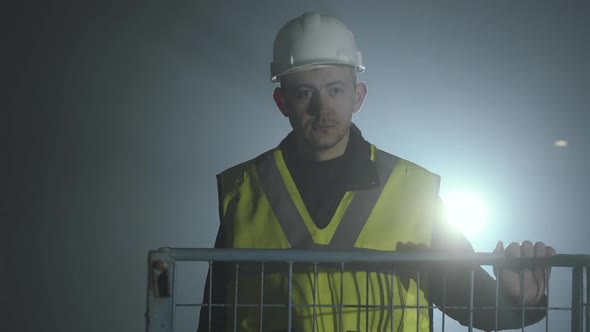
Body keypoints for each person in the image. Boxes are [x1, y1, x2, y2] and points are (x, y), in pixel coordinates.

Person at [197, 11, 555, 332]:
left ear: (357, 96)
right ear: (283, 102)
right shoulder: (244, 191)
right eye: (306, 92)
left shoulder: (413, 192)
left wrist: (521, 301)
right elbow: (215, 315)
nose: (323, 108)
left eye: (335, 90)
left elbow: (471, 301)